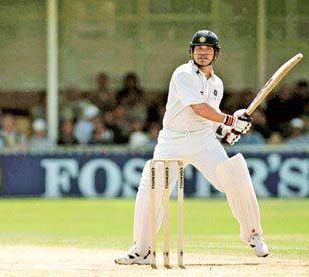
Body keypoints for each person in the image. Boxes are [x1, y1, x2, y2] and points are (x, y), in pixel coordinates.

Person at [114, 30, 269, 265]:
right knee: (152, 187)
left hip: (203, 141)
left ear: (216, 54)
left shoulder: (217, 83)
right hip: (172, 142)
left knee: (234, 174)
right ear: (192, 52)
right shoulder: (183, 74)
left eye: (208, 50)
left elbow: (207, 119)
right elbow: (198, 108)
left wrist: (227, 131)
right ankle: (142, 249)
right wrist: (230, 121)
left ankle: (253, 235)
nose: (203, 53)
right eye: (198, 49)